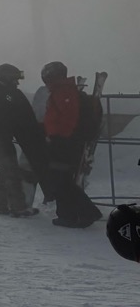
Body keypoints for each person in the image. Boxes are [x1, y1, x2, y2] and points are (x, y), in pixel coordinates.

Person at [0, 63, 63, 217]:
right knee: (11, 170)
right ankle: (18, 207)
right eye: (15, 79)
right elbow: (23, 119)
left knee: (6, 167)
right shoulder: (5, 95)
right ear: (7, 78)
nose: (17, 83)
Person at [35, 61, 103, 228]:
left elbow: (68, 118)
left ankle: (83, 213)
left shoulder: (64, 91)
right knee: (61, 179)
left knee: (60, 180)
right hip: (64, 141)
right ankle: (71, 214)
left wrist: (58, 137)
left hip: (64, 143)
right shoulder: (62, 90)